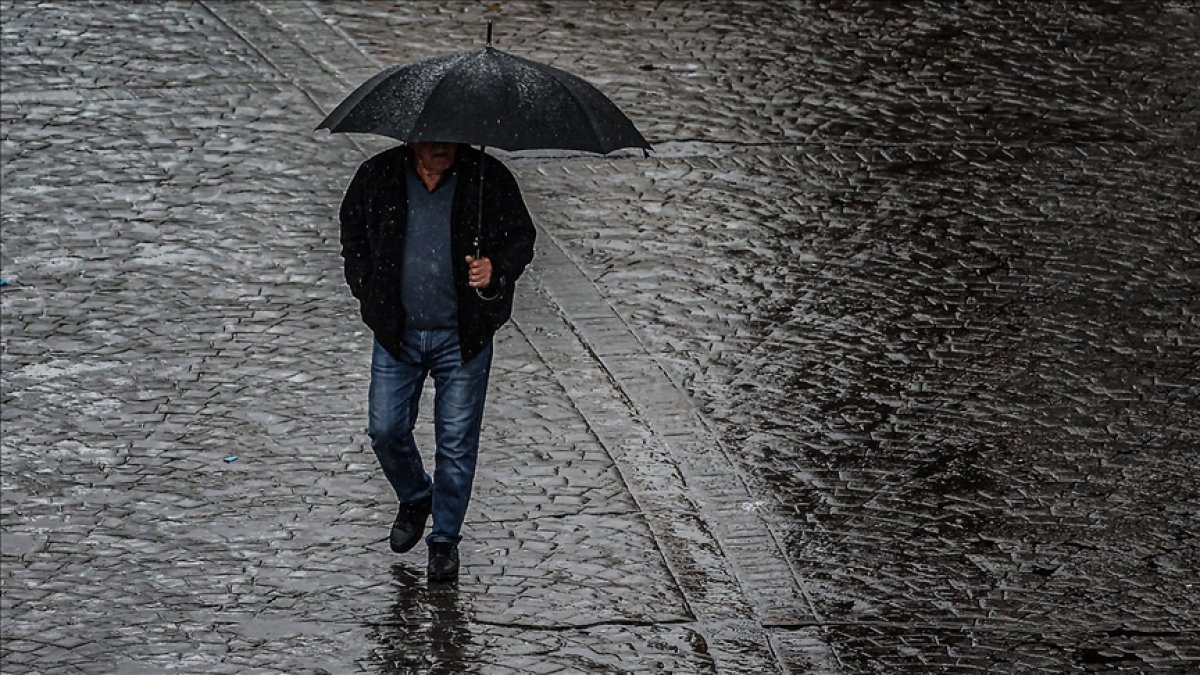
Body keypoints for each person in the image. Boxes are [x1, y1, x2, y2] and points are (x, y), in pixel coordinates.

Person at [338, 141, 536, 581]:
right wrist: (366, 289)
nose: (441, 146)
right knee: (385, 428)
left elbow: (522, 239)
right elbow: (352, 232)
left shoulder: (488, 178)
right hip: (397, 335)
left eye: (450, 136)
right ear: (413, 139)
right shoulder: (379, 176)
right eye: (432, 136)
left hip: (462, 337)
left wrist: (495, 268)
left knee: (456, 444)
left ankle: (444, 541)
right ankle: (415, 495)